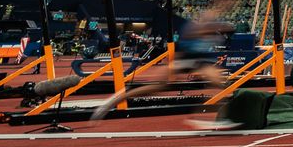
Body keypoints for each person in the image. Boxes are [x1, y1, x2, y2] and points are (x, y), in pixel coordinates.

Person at [85, 12, 232, 122]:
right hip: (186, 58)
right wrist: (213, 27)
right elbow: (193, 33)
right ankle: (113, 101)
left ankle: (211, 117)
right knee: (156, 87)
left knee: (221, 84)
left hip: (200, 62)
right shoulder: (199, 25)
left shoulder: (215, 28)